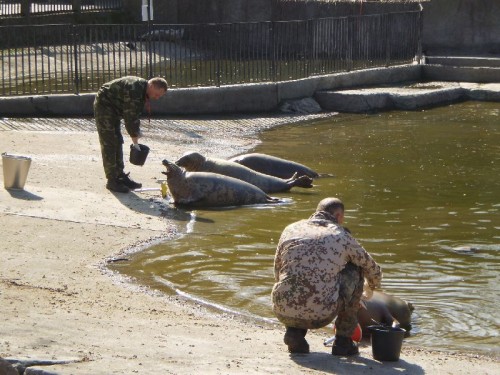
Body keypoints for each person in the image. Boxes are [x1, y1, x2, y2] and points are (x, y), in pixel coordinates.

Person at [271, 197, 383, 356]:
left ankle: (294, 333)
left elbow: (277, 270)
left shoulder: (290, 229)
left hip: (282, 310)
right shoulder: (341, 235)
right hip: (321, 314)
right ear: (338, 216)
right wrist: (372, 286)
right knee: (357, 269)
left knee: (294, 276)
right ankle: (343, 342)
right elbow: (371, 268)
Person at [94, 76, 168, 193]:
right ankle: (112, 180)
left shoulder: (143, 90)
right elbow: (130, 116)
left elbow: (135, 115)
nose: (157, 98)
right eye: (157, 94)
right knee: (109, 143)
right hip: (105, 106)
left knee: (117, 140)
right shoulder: (135, 89)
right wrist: (135, 137)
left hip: (114, 108)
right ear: (152, 86)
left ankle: (120, 176)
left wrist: (136, 132)